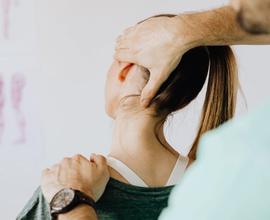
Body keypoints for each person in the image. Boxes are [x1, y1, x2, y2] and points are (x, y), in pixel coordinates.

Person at [23, 1, 270, 220]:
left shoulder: (61, 192)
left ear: (123, 70)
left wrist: (71, 201)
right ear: (182, 97)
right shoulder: (229, 185)